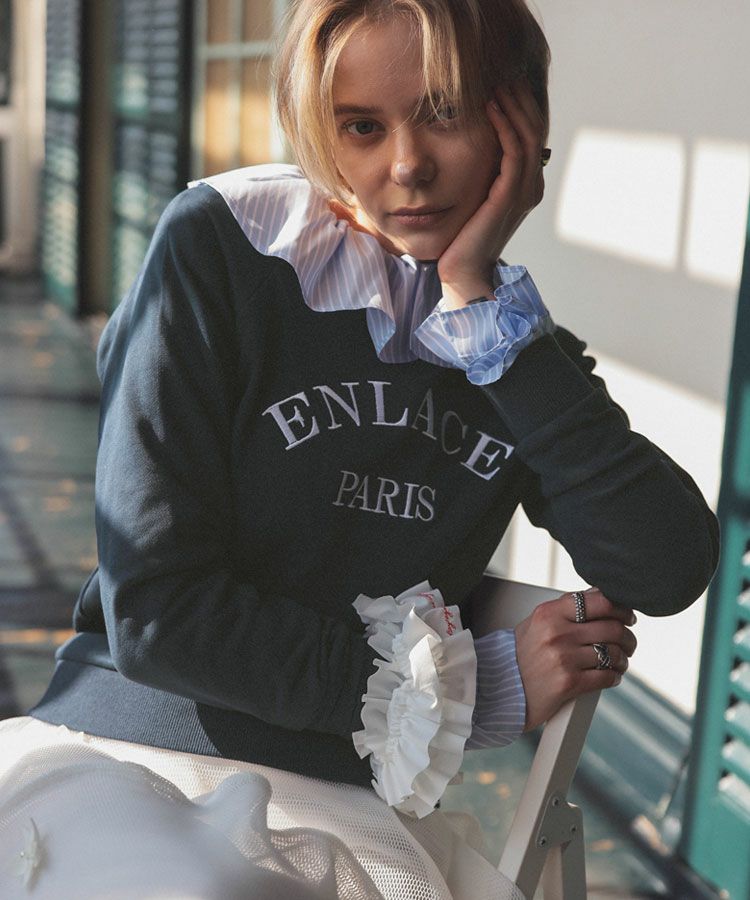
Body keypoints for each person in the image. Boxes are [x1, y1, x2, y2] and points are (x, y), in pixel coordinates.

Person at [0, 0, 718, 897]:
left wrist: (488, 317)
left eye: (444, 112)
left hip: (338, 794)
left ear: (523, 123)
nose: (407, 164)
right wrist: (459, 694)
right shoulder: (224, 247)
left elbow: (666, 566)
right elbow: (158, 614)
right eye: (362, 127)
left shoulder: (516, 357)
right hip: (130, 747)